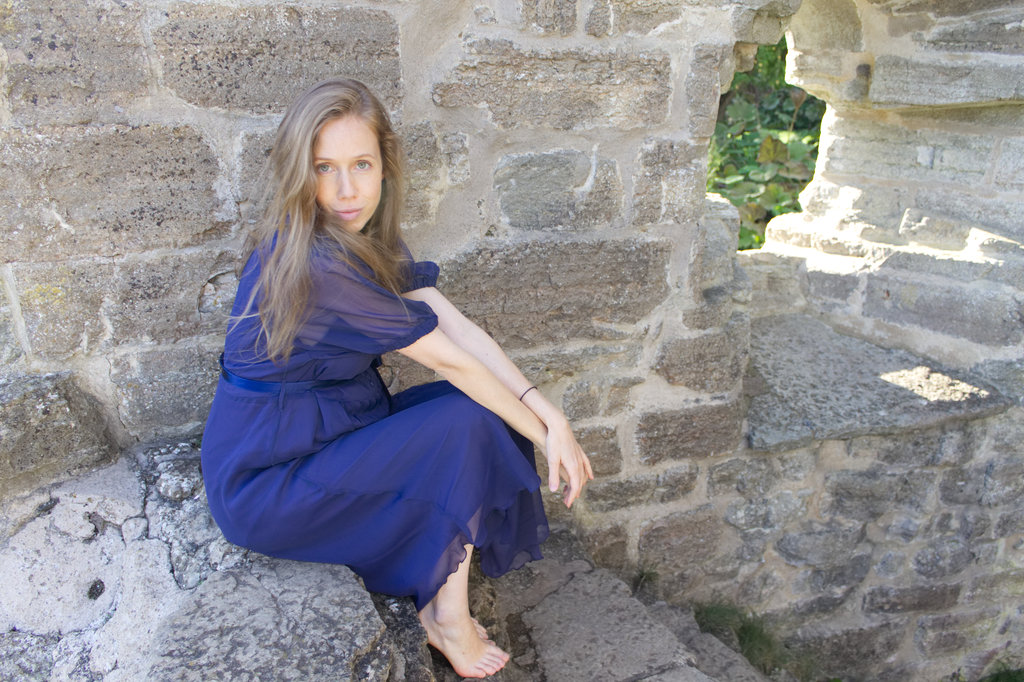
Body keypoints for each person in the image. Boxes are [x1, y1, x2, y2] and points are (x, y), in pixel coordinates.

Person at [200, 77, 593, 679]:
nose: (346, 189)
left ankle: (441, 601)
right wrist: (547, 439)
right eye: (324, 168)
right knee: (466, 416)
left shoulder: (360, 237)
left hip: (324, 434)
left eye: (361, 164)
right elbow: (450, 361)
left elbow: (459, 329)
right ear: (299, 174)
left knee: (482, 414)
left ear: (385, 165)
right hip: (268, 478)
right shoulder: (316, 261)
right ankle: (447, 620)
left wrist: (550, 414)